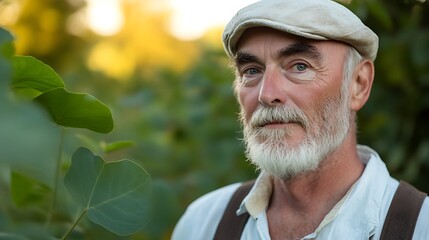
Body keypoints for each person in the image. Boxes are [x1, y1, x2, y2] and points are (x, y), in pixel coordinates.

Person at [171, 0, 429, 239]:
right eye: (251, 70)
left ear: (358, 84)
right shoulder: (203, 223)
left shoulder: (420, 225)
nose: (267, 94)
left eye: (300, 66)